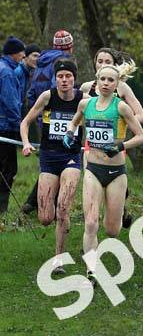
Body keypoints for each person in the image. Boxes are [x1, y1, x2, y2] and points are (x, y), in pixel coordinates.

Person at [64, 60, 143, 285]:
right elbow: (73, 124)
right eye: (103, 79)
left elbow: (141, 136)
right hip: (92, 168)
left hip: (116, 172)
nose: (106, 83)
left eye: (111, 80)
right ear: (97, 81)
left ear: (117, 84)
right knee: (91, 223)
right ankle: (91, 271)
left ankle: (120, 213)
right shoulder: (85, 104)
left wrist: (120, 146)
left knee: (112, 231)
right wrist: (69, 134)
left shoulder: (121, 107)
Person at [20, 60, 84, 273]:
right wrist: (26, 143)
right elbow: (25, 122)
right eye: (60, 76)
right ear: (55, 79)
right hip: (48, 158)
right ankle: (57, 218)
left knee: (63, 209)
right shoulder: (47, 96)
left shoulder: (83, 100)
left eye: (68, 76)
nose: (64, 80)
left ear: (74, 79)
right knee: (46, 218)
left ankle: (59, 259)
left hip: (71, 158)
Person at [0, 36, 25, 212]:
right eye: (21, 52)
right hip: (5, 127)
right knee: (8, 169)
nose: (23, 55)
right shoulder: (7, 73)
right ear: (14, 53)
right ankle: (2, 208)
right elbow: (10, 102)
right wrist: (19, 126)